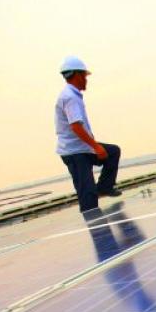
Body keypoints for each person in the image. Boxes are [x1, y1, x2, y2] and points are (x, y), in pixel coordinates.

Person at [55, 56, 121, 215]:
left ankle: (104, 189)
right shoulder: (70, 97)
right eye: (84, 76)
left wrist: (94, 146)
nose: (86, 80)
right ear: (77, 75)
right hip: (75, 153)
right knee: (88, 195)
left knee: (112, 152)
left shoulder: (73, 95)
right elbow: (76, 126)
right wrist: (96, 146)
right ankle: (95, 223)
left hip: (82, 148)